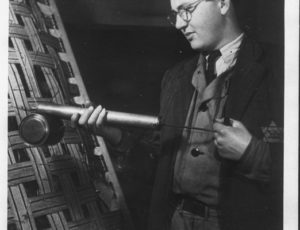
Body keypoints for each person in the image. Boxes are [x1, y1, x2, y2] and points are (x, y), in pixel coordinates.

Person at [71, 0, 283, 229]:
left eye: (187, 10)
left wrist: (252, 153)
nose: (180, 24)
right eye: (175, 15)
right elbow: (160, 161)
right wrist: (113, 134)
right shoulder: (175, 77)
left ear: (222, 3)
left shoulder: (282, 66)